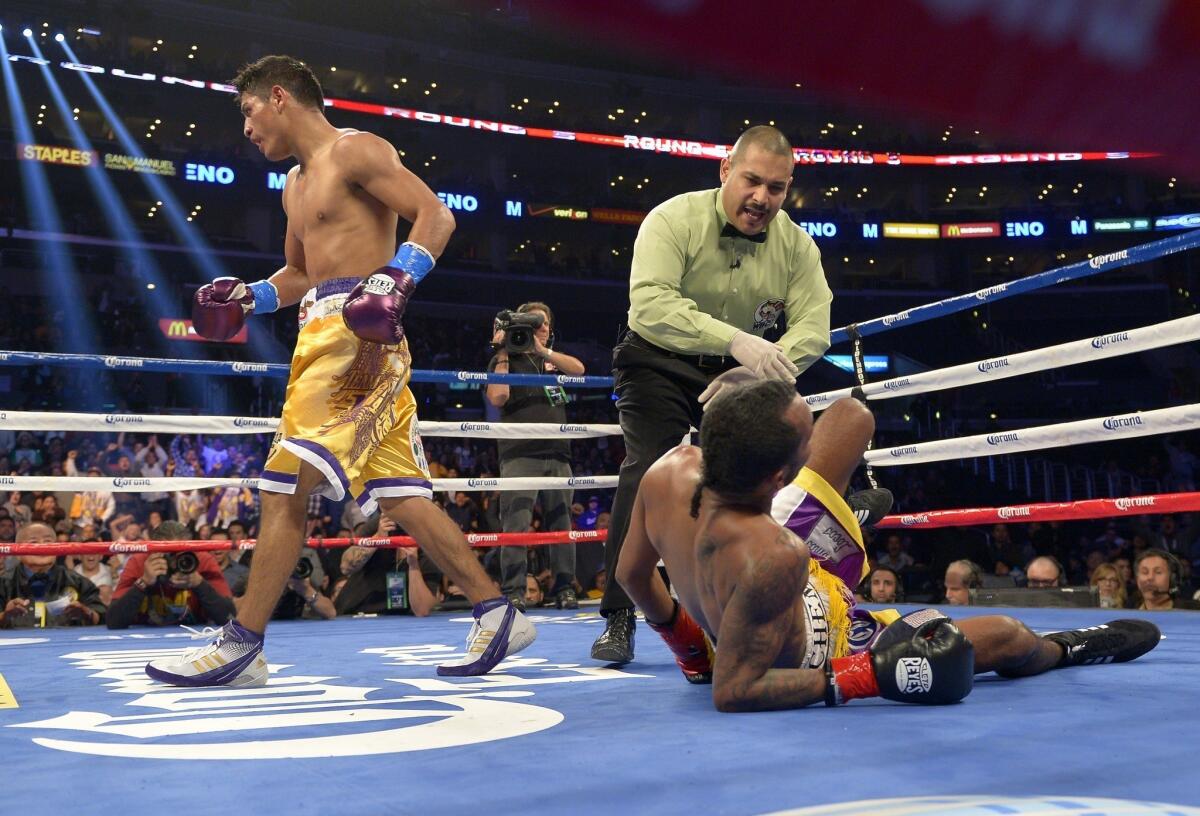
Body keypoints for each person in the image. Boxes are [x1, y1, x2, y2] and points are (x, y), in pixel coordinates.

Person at [145, 56, 534, 688]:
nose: (245, 129)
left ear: (278, 98)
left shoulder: (355, 151)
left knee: (283, 485)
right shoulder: (294, 186)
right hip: (319, 333)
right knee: (401, 496)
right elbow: (300, 275)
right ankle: (497, 612)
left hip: (360, 335)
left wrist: (396, 281)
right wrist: (249, 296)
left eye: (247, 111)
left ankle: (243, 644)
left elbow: (436, 217)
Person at [614, 382, 1160, 711]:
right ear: (781, 476)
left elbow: (631, 575)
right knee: (1010, 636)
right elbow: (734, 691)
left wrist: (692, 651)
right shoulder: (776, 556)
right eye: (804, 446)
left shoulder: (666, 472)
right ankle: (1072, 647)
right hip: (821, 643)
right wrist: (869, 675)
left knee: (853, 416)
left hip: (759, 580)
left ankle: (849, 520)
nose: (812, 445)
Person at [592, 125, 836, 664]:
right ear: (725, 169)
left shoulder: (797, 246)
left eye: (776, 188)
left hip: (740, 372)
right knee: (650, 468)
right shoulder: (672, 219)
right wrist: (737, 339)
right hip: (656, 358)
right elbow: (650, 305)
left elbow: (814, 326)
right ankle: (618, 615)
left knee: (745, 478)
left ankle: (737, 609)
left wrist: (765, 368)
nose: (761, 198)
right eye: (752, 181)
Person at [486, 301, 586, 611]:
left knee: (561, 524)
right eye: (532, 323)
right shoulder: (505, 361)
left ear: (549, 328)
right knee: (516, 524)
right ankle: (514, 590)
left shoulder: (554, 360)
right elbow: (498, 397)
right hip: (519, 453)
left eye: (543, 323)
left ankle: (565, 588)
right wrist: (502, 352)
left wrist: (543, 352)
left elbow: (580, 371)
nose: (538, 328)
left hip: (558, 452)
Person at [108, 521, 237, 629]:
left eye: (180, 553)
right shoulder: (139, 562)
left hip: (194, 640)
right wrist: (143, 582)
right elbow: (113, 621)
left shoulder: (201, 561)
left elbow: (229, 618)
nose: (174, 561)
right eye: (169, 553)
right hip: (144, 641)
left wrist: (200, 584)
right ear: (153, 550)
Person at [0, 522, 104, 628]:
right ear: (18, 553)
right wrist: (5, 616)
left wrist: (86, 613)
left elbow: (102, 618)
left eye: (47, 541)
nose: (42, 547)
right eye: (33, 542)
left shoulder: (77, 581)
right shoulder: (4, 584)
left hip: (66, 643)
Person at [1132, 549, 1200, 610]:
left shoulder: (1194, 610)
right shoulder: (1127, 616)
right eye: (1145, 572)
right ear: (1137, 580)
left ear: (1172, 579)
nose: (1150, 577)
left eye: (1158, 572)